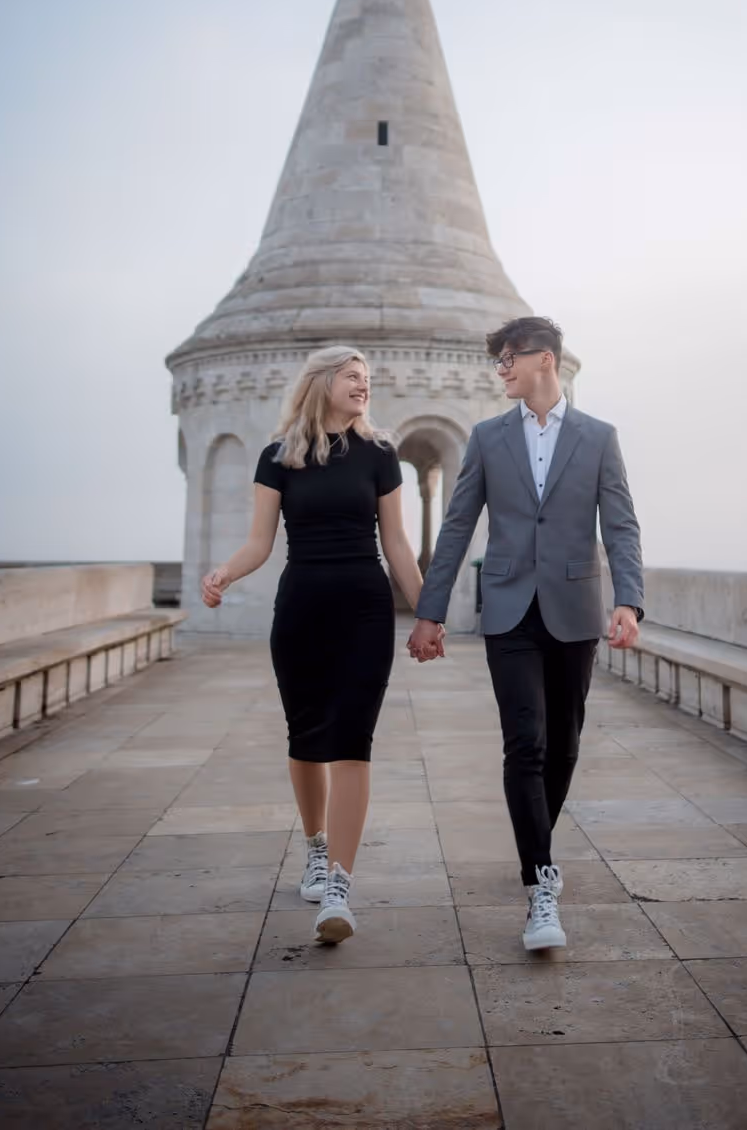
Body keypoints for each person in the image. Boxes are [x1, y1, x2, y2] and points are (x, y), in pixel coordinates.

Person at [408, 317, 643, 951]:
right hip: (509, 609)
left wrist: (628, 601)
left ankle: (535, 845)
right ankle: (541, 884)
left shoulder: (599, 437)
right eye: (499, 360)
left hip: (574, 609)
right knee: (525, 745)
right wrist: (430, 611)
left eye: (510, 357)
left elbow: (621, 526)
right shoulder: (488, 438)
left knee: (564, 745)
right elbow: (457, 526)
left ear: (546, 360)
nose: (502, 369)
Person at [202, 346, 427, 943]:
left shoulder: (380, 454)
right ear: (322, 382)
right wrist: (224, 573)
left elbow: (397, 543)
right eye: (352, 376)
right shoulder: (279, 456)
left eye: (367, 378)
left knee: (353, 740)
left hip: (365, 609)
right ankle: (317, 849)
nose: (363, 385)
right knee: (305, 738)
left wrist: (427, 612)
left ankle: (339, 889)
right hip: (301, 607)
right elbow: (260, 542)